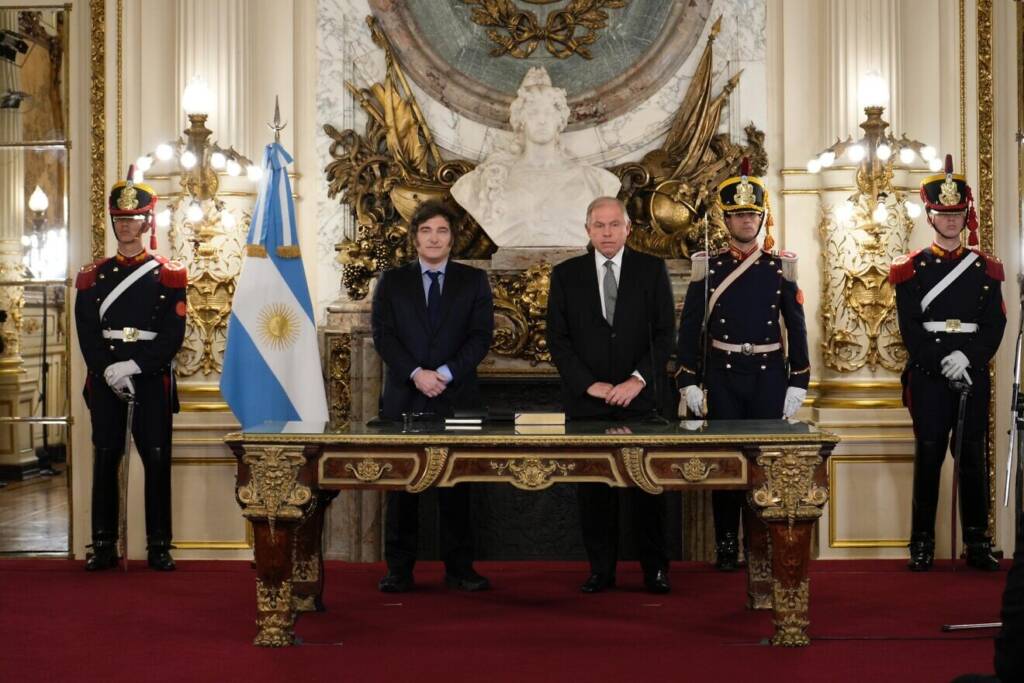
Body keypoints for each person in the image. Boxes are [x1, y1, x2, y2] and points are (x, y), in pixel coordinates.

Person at [675, 158, 810, 571]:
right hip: (724, 376)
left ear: (761, 217)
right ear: (726, 220)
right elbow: (690, 329)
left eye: (752, 215)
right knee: (726, 466)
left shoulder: (779, 267)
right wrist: (689, 381)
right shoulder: (709, 267)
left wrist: (798, 382)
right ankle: (727, 545)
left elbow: (797, 326)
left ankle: (758, 545)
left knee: (763, 465)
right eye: (738, 216)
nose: (746, 222)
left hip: (769, 377)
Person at [546, 196, 676, 594]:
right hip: (589, 404)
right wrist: (589, 384)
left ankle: (655, 570)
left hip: (642, 402)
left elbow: (664, 334)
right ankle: (601, 570)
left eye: (613, 225)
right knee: (595, 494)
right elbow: (559, 340)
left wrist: (637, 380)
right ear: (587, 230)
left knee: (649, 491)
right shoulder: (566, 275)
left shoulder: (651, 270)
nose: (606, 232)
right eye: (598, 225)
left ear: (627, 229)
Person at [371, 199, 494, 593]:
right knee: (403, 489)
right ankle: (399, 570)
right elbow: (383, 336)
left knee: (457, 488)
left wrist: (443, 373)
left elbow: (480, 337)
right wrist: (416, 374)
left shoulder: (473, 281)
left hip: (456, 397)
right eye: (426, 231)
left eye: (441, 231)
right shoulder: (391, 282)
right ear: (415, 238)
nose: (434, 238)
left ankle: (460, 568)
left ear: (452, 239)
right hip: (405, 397)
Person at [890, 154, 1005, 572]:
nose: (952, 221)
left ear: (965, 215)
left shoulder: (987, 269)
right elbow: (911, 329)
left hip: (971, 372)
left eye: (958, 214)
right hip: (929, 376)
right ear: (930, 215)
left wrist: (967, 358)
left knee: (973, 458)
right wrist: (944, 360)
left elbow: (995, 324)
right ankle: (921, 543)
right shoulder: (910, 269)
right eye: (943, 213)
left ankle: (977, 542)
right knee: (929, 456)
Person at [74, 166, 187, 571]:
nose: (126, 227)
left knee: (157, 459)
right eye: (120, 220)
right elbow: (87, 333)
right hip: (106, 380)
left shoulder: (169, 274)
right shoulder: (92, 277)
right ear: (113, 222)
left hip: (151, 379)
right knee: (106, 458)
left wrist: (135, 365)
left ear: (146, 222)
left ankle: (159, 544)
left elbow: (173, 334)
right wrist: (109, 370)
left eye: (134, 219)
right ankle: (103, 543)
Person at [451, 66, 620, 248]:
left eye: (548, 113)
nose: (542, 120)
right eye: (533, 112)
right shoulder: (486, 180)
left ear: (560, 120)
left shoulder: (597, 181)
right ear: (520, 120)